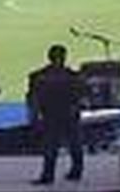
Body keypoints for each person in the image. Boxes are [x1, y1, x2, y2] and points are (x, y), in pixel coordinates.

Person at [27, 44, 85, 184]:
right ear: (64, 57)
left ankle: (48, 175)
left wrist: (33, 115)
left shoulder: (38, 76)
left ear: (49, 57)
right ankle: (76, 172)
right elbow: (80, 98)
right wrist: (77, 111)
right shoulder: (73, 76)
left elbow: (33, 98)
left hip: (50, 115)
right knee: (74, 143)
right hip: (69, 114)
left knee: (51, 145)